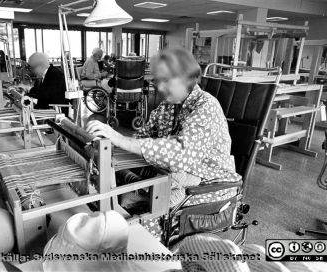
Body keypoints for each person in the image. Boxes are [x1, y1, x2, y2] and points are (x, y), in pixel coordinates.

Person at [86, 47, 241, 207]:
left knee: (144, 206)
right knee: (124, 181)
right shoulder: (167, 106)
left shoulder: (207, 106)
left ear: (187, 79)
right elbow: (143, 137)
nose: (159, 88)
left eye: (166, 81)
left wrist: (120, 139)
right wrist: (107, 146)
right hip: (178, 175)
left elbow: (182, 153)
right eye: (158, 81)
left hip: (209, 183)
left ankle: (140, 208)